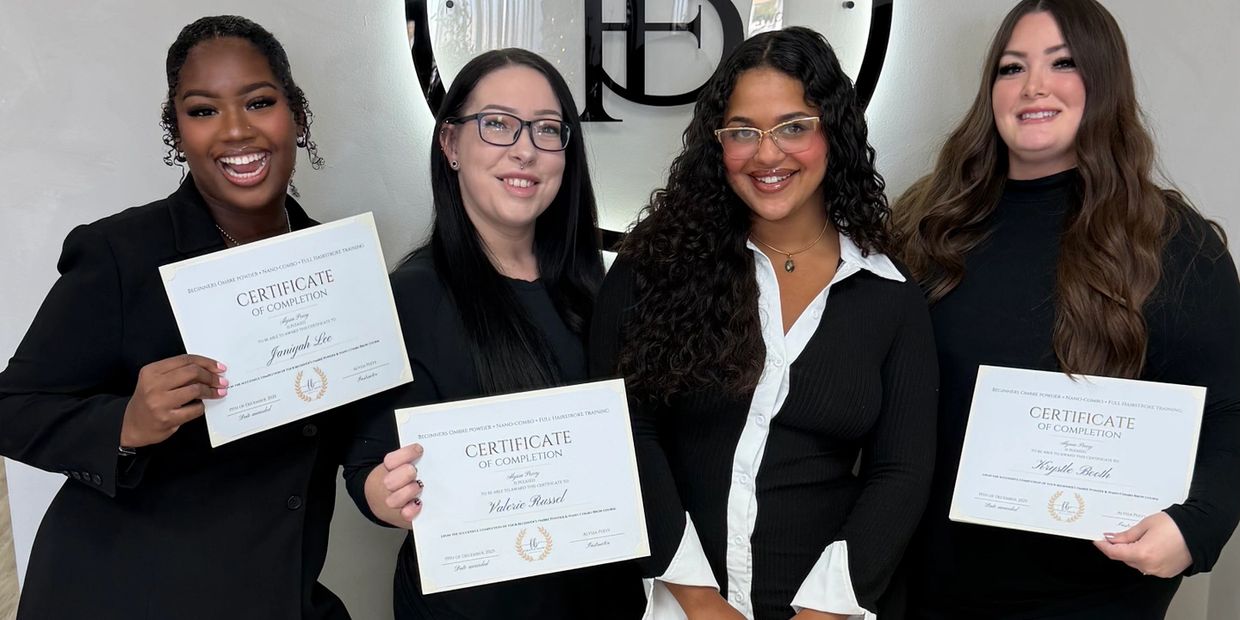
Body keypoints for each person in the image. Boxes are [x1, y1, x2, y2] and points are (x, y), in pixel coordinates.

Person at [892, 1, 1240, 618]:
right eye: (1011, 68)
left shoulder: (1172, 241)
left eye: (1063, 63)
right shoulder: (926, 225)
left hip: (1097, 596)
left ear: (1104, 82)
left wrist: (1197, 527)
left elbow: (1232, 410)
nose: (1034, 86)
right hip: (924, 589)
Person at [0, 15, 349, 619]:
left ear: (294, 113)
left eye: (259, 102)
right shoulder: (120, 254)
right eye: (203, 110)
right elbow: (12, 407)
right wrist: (126, 423)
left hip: (274, 592)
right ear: (178, 130)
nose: (235, 130)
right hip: (122, 595)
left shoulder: (338, 263)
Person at [589, 27, 938, 620]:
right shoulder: (654, 264)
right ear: (717, 143)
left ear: (833, 133)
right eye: (743, 132)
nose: (767, 154)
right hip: (673, 605)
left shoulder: (889, 294)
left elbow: (900, 472)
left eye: (793, 127)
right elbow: (620, 431)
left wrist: (825, 612)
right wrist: (700, 602)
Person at [341, 48, 645, 619]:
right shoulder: (409, 298)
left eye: (547, 129)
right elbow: (365, 470)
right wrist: (386, 494)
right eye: (498, 124)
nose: (525, 149)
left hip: (608, 601)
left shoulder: (598, 290)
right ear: (451, 145)